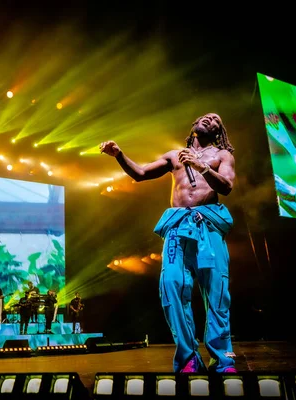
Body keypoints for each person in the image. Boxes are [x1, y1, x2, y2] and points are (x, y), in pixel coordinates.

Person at [100, 113, 237, 374]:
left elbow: (227, 186)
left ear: (219, 131)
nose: (209, 119)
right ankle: (188, 358)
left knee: (218, 292)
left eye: (216, 119)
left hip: (207, 224)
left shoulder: (222, 156)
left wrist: (201, 167)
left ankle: (223, 360)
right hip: (177, 226)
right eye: (205, 116)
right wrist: (119, 155)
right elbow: (140, 173)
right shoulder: (175, 155)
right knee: (172, 286)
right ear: (194, 124)